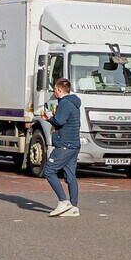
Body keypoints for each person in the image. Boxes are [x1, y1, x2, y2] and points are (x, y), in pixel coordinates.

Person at [42, 77, 82, 218]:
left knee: (49, 170)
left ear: (59, 89)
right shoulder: (73, 102)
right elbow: (65, 119)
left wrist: (48, 118)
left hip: (65, 144)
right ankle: (74, 207)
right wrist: (55, 115)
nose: (54, 93)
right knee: (70, 176)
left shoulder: (64, 103)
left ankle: (63, 201)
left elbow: (59, 121)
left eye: (55, 90)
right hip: (74, 144)